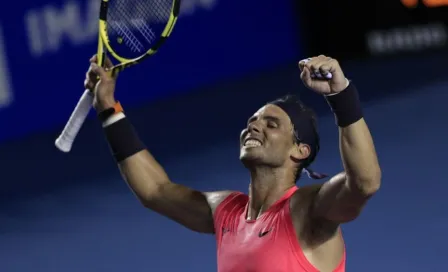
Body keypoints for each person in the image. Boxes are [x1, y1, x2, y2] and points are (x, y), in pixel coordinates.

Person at [85, 54, 381, 272]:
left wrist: (342, 96)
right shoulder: (227, 212)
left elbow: (364, 182)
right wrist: (109, 109)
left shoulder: (308, 210)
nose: (253, 127)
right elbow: (155, 191)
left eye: (272, 124)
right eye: (252, 121)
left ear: (299, 151)